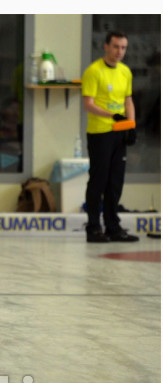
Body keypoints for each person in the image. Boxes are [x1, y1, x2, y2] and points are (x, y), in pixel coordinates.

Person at [82, 30, 139, 243]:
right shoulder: (94, 71)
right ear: (106, 46)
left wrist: (131, 126)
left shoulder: (125, 72)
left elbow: (128, 101)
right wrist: (112, 115)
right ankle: (94, 227)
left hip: (119, 133)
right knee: (99, 180)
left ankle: (113, 227)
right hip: (100, 133)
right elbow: (89, 104)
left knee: (115, 181)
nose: (119, 52)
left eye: (123, 48)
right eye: (116, 46)